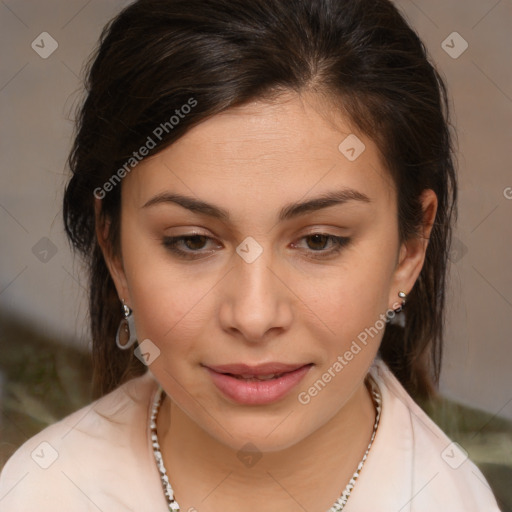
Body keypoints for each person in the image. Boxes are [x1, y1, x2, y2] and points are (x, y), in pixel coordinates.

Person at [0, 0, 503, 510]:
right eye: (192, 241)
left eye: (319, 240)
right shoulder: (40, 492)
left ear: (409, 249)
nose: (254, 316)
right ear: (115, 251)